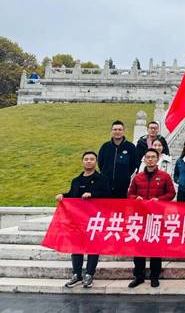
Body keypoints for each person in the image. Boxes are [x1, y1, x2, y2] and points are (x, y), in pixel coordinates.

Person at [56, 151, 110, 289]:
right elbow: (72, 195)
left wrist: (92, 194)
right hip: (77, 219)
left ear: (96, 162)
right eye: (86, 159)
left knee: (93, 247)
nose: (89, 161)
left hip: (94, 219)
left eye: (92, 159)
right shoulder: (76, 180)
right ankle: (76, 274)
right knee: (76, 247)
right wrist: (63, 196)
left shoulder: (102, 179)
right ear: (82, 161)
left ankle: (89, 274)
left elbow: (107, 195)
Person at [127, 148, 176, 288]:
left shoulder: (164, 176)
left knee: (155, 247)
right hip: (140, 217)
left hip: (156, 217)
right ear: (144, 159)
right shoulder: (138, 177)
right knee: (139, 248)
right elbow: (130, 194)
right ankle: (139, 276)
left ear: (157, 159)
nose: (150, 159)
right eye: (148, 157)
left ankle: (155, 276)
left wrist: (159, 200)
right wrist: (136, 198)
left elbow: (171, 193)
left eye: (153, 157)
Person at [98, 120, 137, 198]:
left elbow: (133, 164)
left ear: (123, 131)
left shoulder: (131, 147)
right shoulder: (105, 147)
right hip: (106, 185)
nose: (117, 131)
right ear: (111, 131)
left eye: (120, 129)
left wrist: (125, 176)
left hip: (123, 186)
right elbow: (100, 163)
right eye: (115, 129)